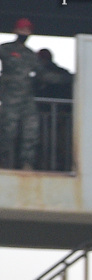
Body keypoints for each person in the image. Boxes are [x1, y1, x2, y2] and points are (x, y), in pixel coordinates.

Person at [0, 18, 46, 170]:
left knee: (31, 131)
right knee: (7, 132)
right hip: (9, 98)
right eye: (22, 29)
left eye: (27, 30)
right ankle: (3, 162)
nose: (25, 33)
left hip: (27, 99)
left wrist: (70, 78)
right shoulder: (5, 48)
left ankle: (27, 163)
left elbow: (42, 74)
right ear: (15, 30)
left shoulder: (31, 54)